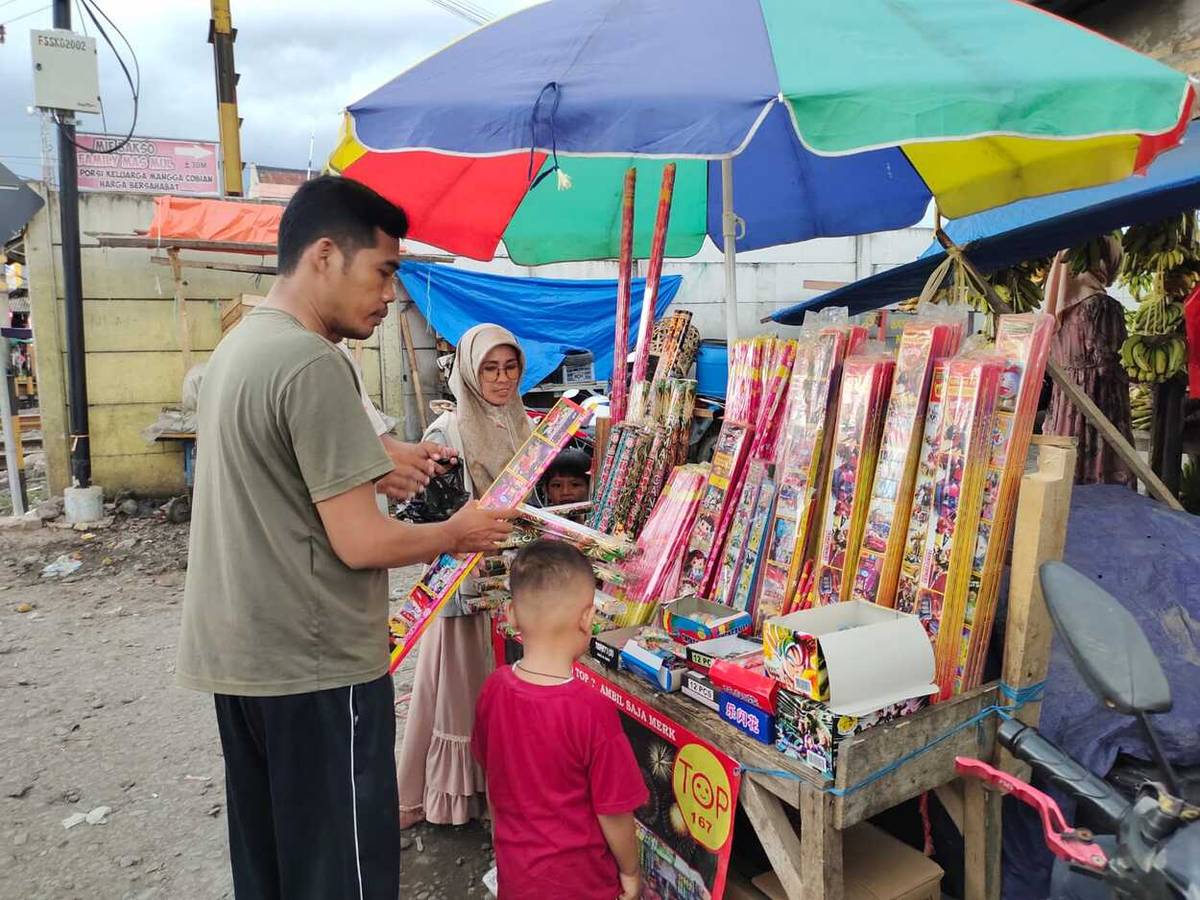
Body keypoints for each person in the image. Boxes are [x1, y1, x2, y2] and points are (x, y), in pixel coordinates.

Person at [176, 175, 515, 900]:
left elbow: (278, 475)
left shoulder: (244, 348)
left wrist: (379, 461)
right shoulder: (312, 363)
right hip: (315, 664)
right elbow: (360, 543)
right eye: (385, 270)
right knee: (343, 874)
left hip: (243, 658)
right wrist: (460, 531)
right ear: (325, 256)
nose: (391, 295)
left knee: (273, 864)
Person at [398, 322, 531, 829]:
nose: (500, 379)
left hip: (509, 581)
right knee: (459, 693)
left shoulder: (519, 422)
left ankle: (495, 793)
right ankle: (452, 798)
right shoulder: (448, 431)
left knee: (498, 691)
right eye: (489, 369)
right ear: (470, 373)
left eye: (509, 367)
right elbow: (423, 517)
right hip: (462, 586)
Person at [473, 539, 646, 900]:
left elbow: (492, 777)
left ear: (511, 615)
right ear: (587, 619)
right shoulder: (592, 710)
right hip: (581, 884)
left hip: (517, 876)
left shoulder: (493, 689)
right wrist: (630, 871)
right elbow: (614, 812)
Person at [1043, 236, 1136, 486]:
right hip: (1098, 406)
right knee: (1103, 491)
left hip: (1064, 410)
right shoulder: (1102, 306)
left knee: (1063, 488)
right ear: (1106, 262)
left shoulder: (1058, 311)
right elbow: (1109, 365)